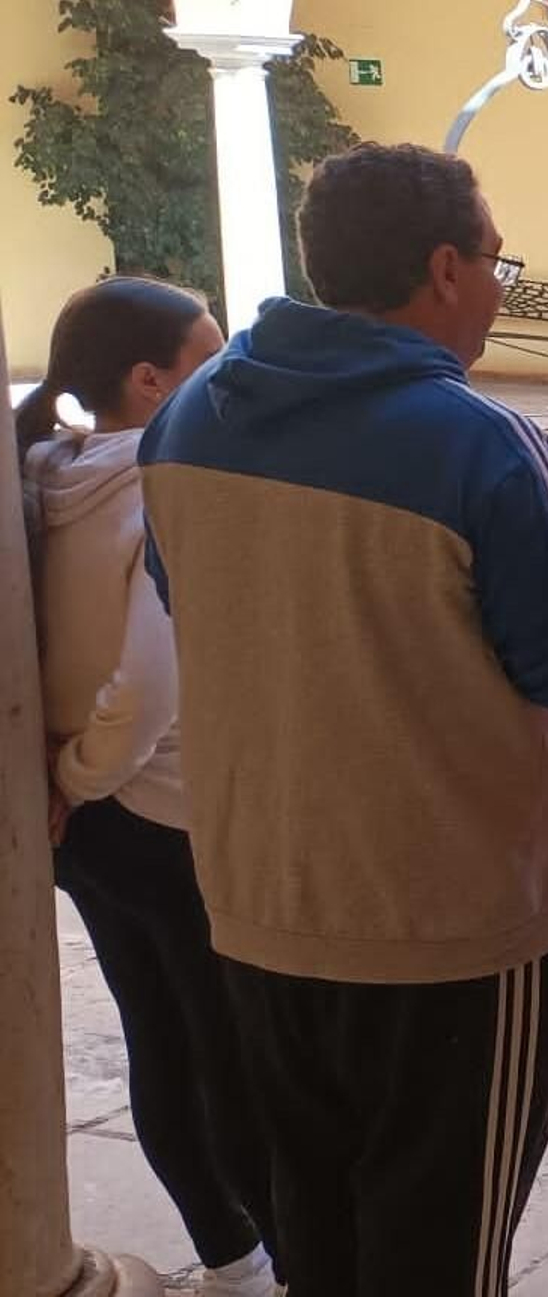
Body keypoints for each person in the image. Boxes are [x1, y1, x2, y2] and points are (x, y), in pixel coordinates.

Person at [138, 142, 548, 1297]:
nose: (494, 277)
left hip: (263, 896)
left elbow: (203, 606)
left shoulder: (185, 425)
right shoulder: (481, 443)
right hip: (447, 919)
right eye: (492, 257)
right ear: (442, 269)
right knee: (442, 1253)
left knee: (315, 1228)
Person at [15, 278, 281, 1297]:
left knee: (156, 1041)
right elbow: (151, 684)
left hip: (88, 830)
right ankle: (285, 1265)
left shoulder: (50, 473)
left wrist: (66, 784)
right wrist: (85, 773)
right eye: (210, 360)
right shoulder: (163, 487)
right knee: (231, 1057)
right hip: (162, 816)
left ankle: (229, 1259)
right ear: (149, 379)